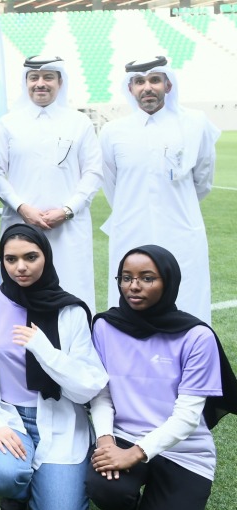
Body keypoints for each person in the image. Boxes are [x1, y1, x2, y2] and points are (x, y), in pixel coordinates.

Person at [0, 224, 108, 510]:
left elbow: (87, 388)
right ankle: (20, 490)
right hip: (6, 417)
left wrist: (45, 350)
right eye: (11, 259)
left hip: (59, 420)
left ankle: (42, 483)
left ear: (46, 257)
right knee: (2, 473)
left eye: (30, 257)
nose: (20, 267)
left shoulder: (70, 310)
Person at [87, 245, 237, 510]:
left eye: (147, 278)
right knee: (106, 489)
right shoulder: (104, 326)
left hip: (183, 450)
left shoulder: (197, 336)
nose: (134, 286)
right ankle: (126, 507)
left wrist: (132, 455)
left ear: (168, 282)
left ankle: (155, 505)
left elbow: (186, 419)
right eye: (126, 277)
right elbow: (101, 394)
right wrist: (106, 440)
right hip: (123, 436)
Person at [99, 56, 221, 323]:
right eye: (139, 82)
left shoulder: (195, 123)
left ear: (168, 84)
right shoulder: (112, 131)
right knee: (131, 296)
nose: (147, 87)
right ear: (129, 89)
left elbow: (202, 180)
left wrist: (177, 204)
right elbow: (112, 187)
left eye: (155, 80)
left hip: (181, 228)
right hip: (130, 228)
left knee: (188, 296)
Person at [0, 56, 103, 307]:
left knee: (74, 293)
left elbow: (93, 173)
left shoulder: (79, 123)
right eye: (34, 78)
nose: (40, 84)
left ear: (60, 82)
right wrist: (23, 208)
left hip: (68, 228)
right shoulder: (8, 124)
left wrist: (67, 210)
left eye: (48, 77)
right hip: (21, 224)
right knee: (20, 298)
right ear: (26, 82)